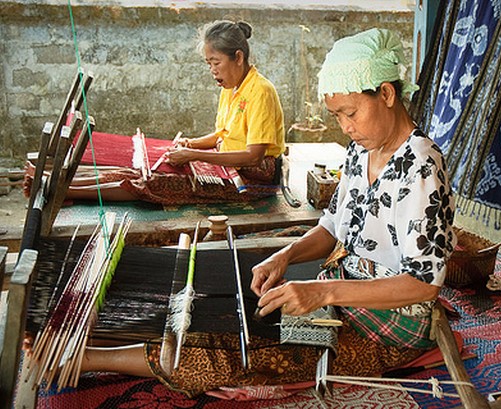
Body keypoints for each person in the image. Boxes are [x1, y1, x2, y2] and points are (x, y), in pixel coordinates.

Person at [71, 27, 456, 397]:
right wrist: (284, 257)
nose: (345, 127)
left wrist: (322, 291)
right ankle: (99, 328)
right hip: (342, 285)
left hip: (388, 322)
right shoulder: (362, 151)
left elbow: (423, 284)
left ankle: (83, 359)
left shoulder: (422, 168)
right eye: (337, 116)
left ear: (386, 93)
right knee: (236, 286)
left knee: (230, 350)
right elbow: (334, 227)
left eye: (350, 113)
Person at [31, 20, 285, 205]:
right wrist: (191, 144)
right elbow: (223, 135)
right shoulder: (231, 88)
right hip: (229, 162)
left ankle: (59, 190)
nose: (212, 70)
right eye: (208, 64)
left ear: (238, 57)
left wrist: (194, 154)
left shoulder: (260, 91)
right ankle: (56, 181)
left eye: (216, 62)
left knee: (155, 181)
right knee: (143, 170)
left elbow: (254, 156)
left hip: (253, 178)